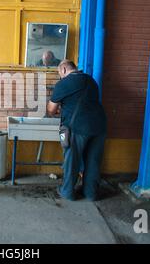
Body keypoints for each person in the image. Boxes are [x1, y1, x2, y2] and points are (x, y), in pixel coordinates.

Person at [47, 60, 106, 201]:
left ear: (64, 69)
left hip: (77, 128)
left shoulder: (63, 84)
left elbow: (51, 110)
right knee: (93, 161)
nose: (60, 77)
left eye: (59, 74)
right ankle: (90, 194)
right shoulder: (91, 80)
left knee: (72, 160)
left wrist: (60, 108)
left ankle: (67, 192)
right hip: (99, 126)